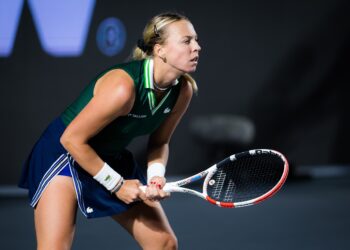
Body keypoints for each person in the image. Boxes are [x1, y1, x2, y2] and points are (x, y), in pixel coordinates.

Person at [18, 12, 201, 250]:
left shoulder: (182, 91)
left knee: (163, 243)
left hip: (109, 156)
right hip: (63, 155)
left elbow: (159, 142)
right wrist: (116, 184)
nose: (196, 47)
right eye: (186, 41)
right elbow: (71, 139)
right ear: (160, 50)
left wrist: (156, 176)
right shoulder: (123, 87)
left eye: (196, 40)